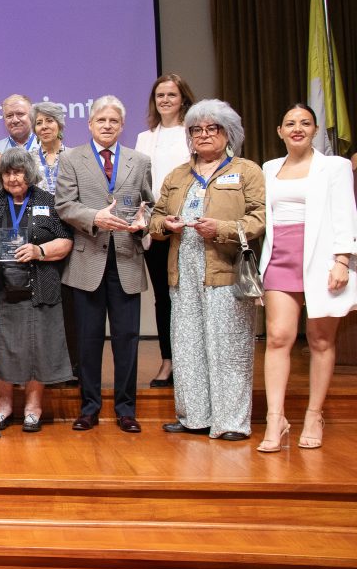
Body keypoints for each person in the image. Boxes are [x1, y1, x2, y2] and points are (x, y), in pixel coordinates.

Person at [148, 99, 265, 441]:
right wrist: (166, 225)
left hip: (225, 272)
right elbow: (155, 219)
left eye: (212, 128)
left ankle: (231, 422)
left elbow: (259, 219)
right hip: (183, 272)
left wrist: (222, 229)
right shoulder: (177, 175)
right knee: (187, 348)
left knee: (229, 348)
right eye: (196, 129)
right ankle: (194, 417)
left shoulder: (247, 171)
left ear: (229, 133)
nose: (203, 135)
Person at [258, 104, 357, 452]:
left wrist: (342, 260)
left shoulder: (335, 166)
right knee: (278, 338)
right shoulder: (269, 168)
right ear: (280, 131)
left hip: (322, 259)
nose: (297, 128)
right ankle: (275, 419)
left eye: (305, 122)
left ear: (315, 129)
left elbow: (346, 213)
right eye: (290, 123)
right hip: (279, 258)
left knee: (320, 341)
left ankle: (314, 415)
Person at [55, 95, 153, 433]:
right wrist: (94, 217)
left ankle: (126, 410)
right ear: (90, 124)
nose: (107, 126)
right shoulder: (71, 159)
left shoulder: (140, 161)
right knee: (88, 340)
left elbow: (150, 205)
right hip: (87, 260)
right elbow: (64, 205)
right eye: (101, 120)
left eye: (113, 121)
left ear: (122, 125)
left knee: (127, 338)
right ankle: (89, 408)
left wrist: (144, 222)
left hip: (126, 260)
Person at [0, 147, 74, 431]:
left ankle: (33, 406)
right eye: (7, 172)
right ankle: (4, 405)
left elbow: (66, 240)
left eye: (19, 172)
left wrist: (40, 251)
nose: (13, 178)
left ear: (30, 173)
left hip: (38, 285)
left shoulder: (47, 201)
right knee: (1, 347)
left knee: (38, 347)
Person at [135, 74, 197, 388]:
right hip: (156, 227)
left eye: (171, 94)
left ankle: (193, 361)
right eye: (160, 95)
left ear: (183, 98)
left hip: (189, 227)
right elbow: (139, 183)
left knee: (190, 296)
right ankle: (168, 360)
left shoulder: (193, 133)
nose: (165, 100)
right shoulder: (144, 138)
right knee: (164, 297)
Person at [33, 101, 80, 387]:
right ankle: (44, 367)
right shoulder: (28, 158)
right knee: (45, 304)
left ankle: (72, 367)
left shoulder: (75, 156)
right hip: (39, 236)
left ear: (60, 124)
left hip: (72, 233)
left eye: (49, 121)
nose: (44, 127)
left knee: (72, 305)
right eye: (39, 122)